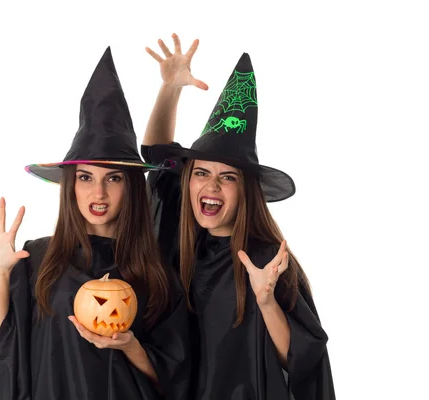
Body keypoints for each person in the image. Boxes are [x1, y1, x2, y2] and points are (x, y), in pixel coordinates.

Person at [0, 47, 191, 400]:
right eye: (86, 177)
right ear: (70, 185)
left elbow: (175, 377)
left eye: (114, 178)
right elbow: (3, 355)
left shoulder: (155, 272)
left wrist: (131, 345)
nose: (98, 192)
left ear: (132, 187)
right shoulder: (38, 259)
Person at [141, 34, 335, 399]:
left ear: (246, 189)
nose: (211, 186)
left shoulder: (267, 262)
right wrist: (170, 89)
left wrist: (266, 302)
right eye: (201, 173)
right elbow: (157, 158)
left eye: (227, 177)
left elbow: (299, 358)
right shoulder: (177, 239)